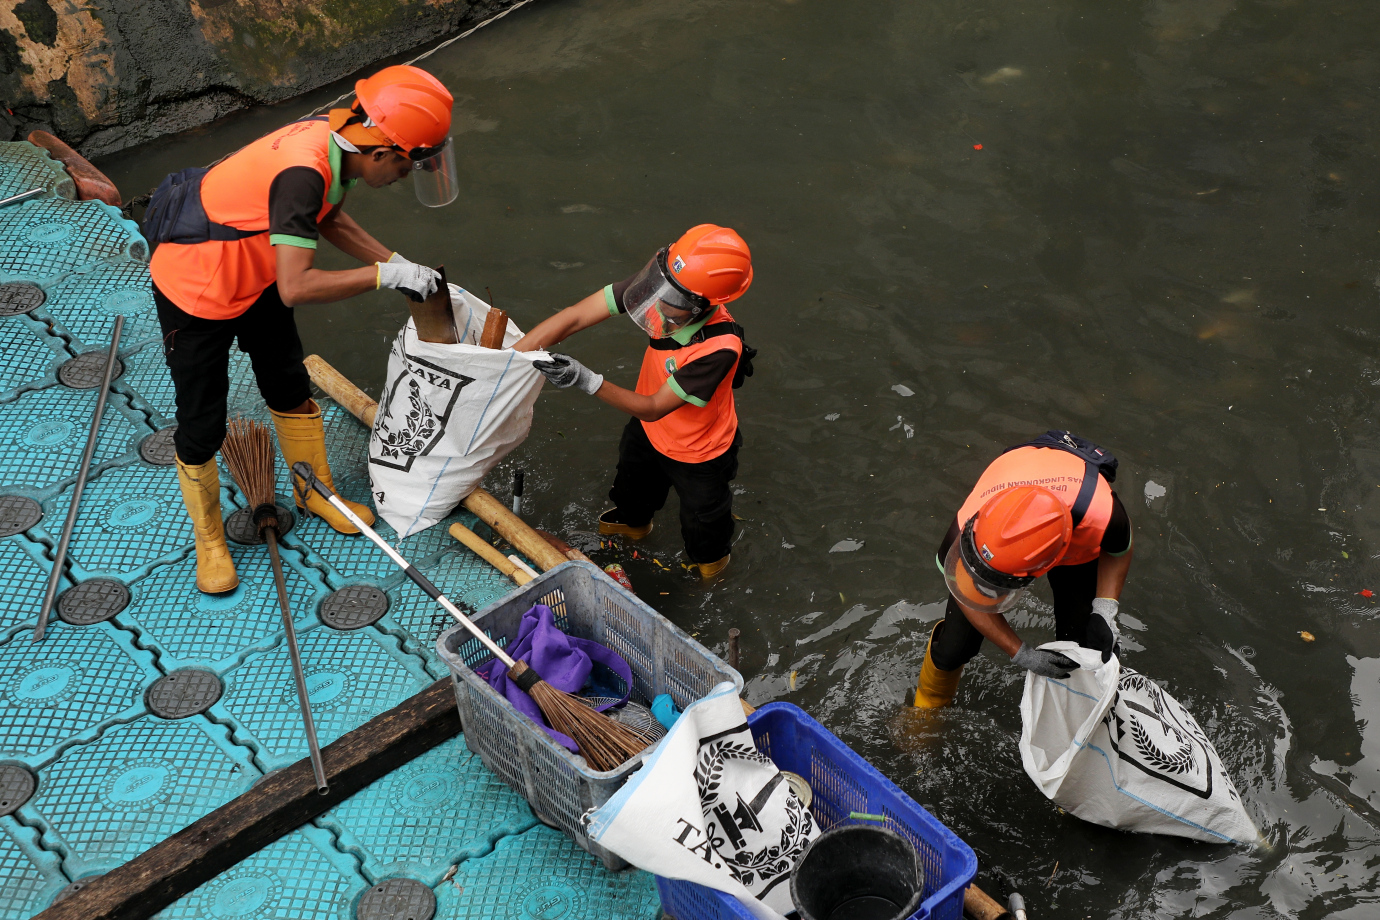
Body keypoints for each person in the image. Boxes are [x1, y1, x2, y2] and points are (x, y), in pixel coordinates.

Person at [146, 65, 456, 593]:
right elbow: (297, 286)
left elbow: (326, 218)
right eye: (405, 170)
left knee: (288, 385)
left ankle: (317, 492)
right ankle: (211, 539)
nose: (402, 180)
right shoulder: (303, 172)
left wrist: (400, 263)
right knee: (203, 423)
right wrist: (385, 275)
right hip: (198, 291)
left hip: (258, 274)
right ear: (381, 153)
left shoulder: (334, 142)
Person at [514, 224, 754, 579]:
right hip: (648, 432)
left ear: (702, 305)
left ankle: (711, 572)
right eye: (660, 284)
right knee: (630, 495)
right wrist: (509, 359)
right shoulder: (667, 289)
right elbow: (576, 315)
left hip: (699, 452)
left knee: (705, 529)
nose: (657, 302)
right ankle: (634, 528)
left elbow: (655, 405)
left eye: (674, 301)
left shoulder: (720, 348)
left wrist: (586, 379)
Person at [913, 431, 1133, 708]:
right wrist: (1021, 653)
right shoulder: (960, 535)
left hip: (1072, 517)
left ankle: (1080, 714)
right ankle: (928, 704)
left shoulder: (1101, 514)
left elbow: (1119, 550)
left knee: (1084, 642)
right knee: (955, 645)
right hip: (1016, 478)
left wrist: (1105, 608)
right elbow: (965, 595)